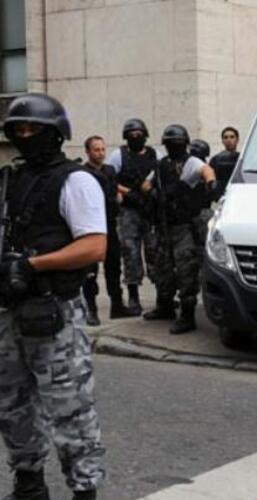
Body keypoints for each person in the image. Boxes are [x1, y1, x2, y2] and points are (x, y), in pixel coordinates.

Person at [0, 93, 106, 499]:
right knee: (11, 406)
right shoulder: (11, 179)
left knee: (70, 410)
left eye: (35, 129)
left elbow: (94, 246)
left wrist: (32, 265)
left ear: (56, 133)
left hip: (54, 314)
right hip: (9, 312)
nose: (26, 136)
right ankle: (29, 484)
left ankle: (84, 491)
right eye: (19, 129)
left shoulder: (76, 181)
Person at [142, 125, 217, 334]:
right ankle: (164, 306)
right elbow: (145, 185)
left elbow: (206, 171)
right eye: (170, 143)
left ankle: (187, 315)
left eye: (176, 143)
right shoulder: (161, 165)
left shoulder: (190, 162)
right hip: (164, 225)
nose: (173, 146)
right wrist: (155, 192)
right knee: (162, 268)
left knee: (186, 270)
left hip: (184, 226)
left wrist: (211, 183)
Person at [82, 135, 136, 325]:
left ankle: (117, 305)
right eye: (96, 150)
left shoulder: (110, 170)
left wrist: (119, 196)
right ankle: (91, 309)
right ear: (88, 152)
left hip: (110, 224)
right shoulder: (82, 173)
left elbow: (113, 191)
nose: (101, 153)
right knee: (90, 271)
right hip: (91, 226)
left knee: (114, 267)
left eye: (103, 149)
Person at [107, 118, 158, 315]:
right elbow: (109, 177)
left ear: (145, 135)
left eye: (139, 134)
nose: (135, 137)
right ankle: (133, 297)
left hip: (149, 211)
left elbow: (160, 173)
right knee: (131, 253)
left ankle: (163, 296)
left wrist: (150, 185)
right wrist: (126, 191)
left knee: (155, 251)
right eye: (131, 135)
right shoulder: (118, 155)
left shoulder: (155, 154)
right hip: (128, 212)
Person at [208, 126, 240, 198]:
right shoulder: (215, 160)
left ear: (237, 140)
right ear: (222, 141)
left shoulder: (242, 159)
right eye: (225, 137)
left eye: (232, 137)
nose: (229, 140)